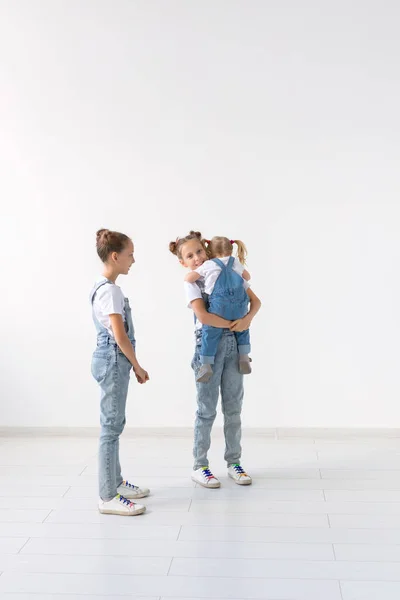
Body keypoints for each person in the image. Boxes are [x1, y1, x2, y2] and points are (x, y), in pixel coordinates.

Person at [169, 231, 261, 488]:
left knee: (233, 409)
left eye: (199, 251)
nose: (197, 258)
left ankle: (234, 462)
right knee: (206, 410)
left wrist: (246, 320)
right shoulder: (192, 283)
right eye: (190, 255)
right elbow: (205, 316)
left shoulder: (224, 271)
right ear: (183, 262)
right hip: (208, 348)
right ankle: (200, 466)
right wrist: (235, 324)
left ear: (207, 251)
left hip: (234, 344)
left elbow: (255, 302)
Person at [90, 228, 149, 515]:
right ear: (115, 256)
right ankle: (107, 496)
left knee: (114, 424)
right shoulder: (111, 292)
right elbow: (120, 335)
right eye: (130, 255)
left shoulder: (102, 287)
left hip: (109, 358)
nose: (133, 260)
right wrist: (137, 365)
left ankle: (115, 481)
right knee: (110, 429)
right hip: (114, 359)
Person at [185, 235, 252, 383]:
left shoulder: (208, 266)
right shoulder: (235, 263)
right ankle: (244, 357)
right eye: (190, 256)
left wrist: (190, 276)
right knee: (243, 330)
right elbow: (247, 277)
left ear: (210, 253)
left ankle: (206, 364)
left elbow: (189, 279)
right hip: (239, 308)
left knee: (210, 332)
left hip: (219, 309)